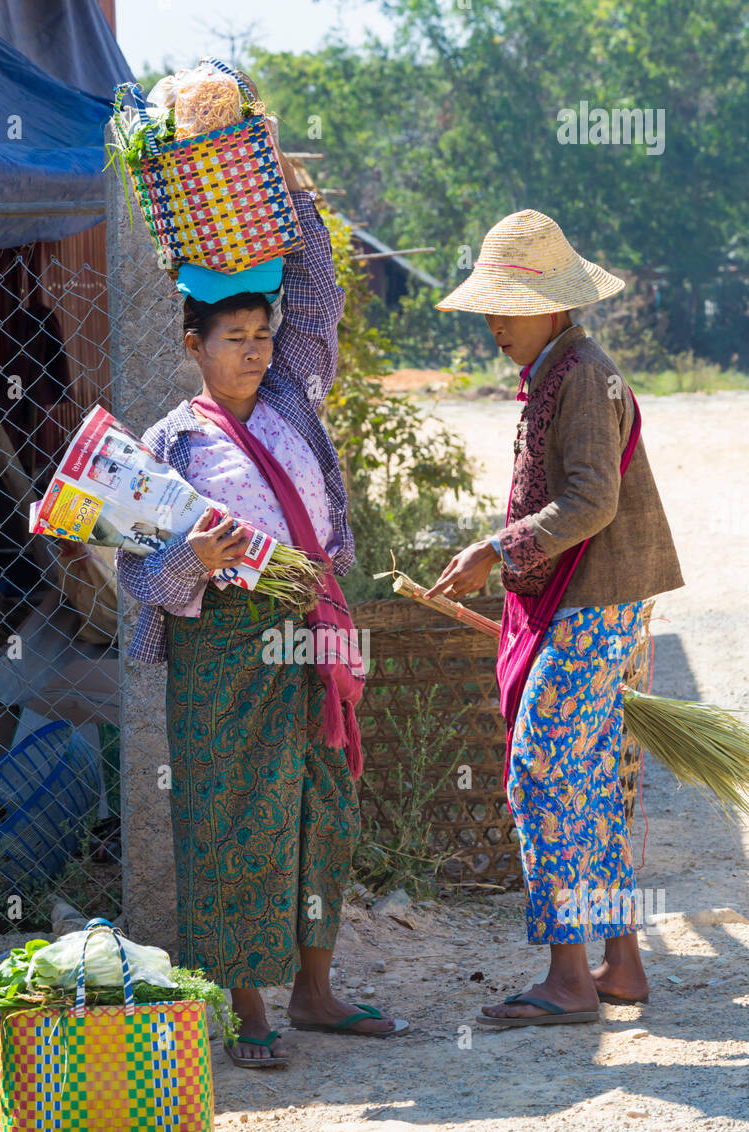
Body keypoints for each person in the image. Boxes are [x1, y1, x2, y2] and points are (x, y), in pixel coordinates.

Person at [116, 139, 407, 1066]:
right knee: (230, 815)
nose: (254, 351)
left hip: (311, 632)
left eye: (261, 336)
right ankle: (248, 1010)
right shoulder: (168, 447)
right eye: (233, 339)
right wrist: (192, 558)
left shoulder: (292, 402)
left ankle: (317, 993)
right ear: (193, 346)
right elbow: (140, 575)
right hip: (225, 653)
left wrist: (292, 191)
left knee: (324, 804)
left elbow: (318, 303)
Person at [427, 208, 683, 1027]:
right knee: (599, 778)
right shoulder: (567, 369)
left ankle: (570, 979)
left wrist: (494, 553)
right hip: (600, 605)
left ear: (556, 304)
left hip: (587, 608)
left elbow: (591, 499)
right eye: (490, 306)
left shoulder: (579, 375)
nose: (495, 323)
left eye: (508, 304)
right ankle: (621, 966)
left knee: (547, 773)